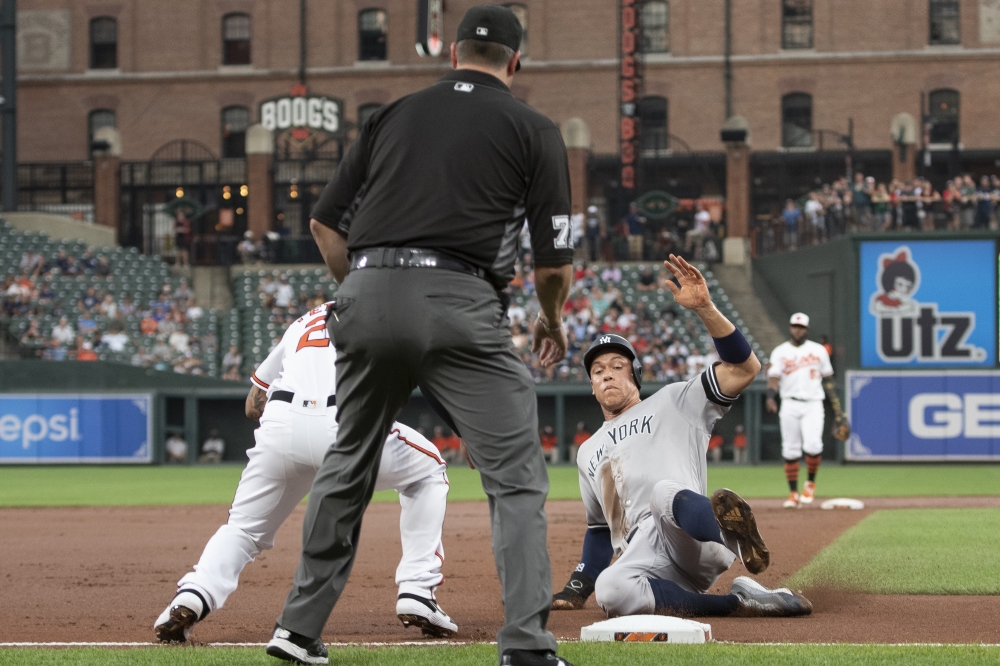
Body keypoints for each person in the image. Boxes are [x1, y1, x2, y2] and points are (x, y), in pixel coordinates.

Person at [287, 6, 575, 665]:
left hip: (363, 289)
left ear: (451, 54)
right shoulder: (534, 127)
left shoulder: (389, 114)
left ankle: (297, 629)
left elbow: (326, 227)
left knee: (348, 461)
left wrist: (359, 292)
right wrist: (551, 317)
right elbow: (553, 261)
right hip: (458, 298)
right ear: (515, 61)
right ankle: (527, 644)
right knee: (514, 476)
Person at [155, 301, 455, 646]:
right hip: (346, 421)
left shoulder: (307, 317)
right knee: (429, 469)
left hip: (281, 424)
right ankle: (418, 589)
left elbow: (253, 403)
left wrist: (300, 416)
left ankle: (191, 596)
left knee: (243, 528)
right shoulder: (393, 308)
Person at [550, 255, 811, 620]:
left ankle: (733, 536)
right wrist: (578, 587)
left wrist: (706, 309)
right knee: (611, 591)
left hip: (690, 537)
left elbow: (745, 368)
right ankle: (740, 602)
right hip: (644, 560)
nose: (606, 374)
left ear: (636, 374)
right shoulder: (587, 451)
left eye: (617, 366)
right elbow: (597, 529)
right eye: (597, 370)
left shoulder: (675, 400)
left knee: (662, 492)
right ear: (591, 385)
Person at [765, 313, 843, 509]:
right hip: (789, 403)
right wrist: (769, 397)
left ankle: (810, 483)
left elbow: (828, 380)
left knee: (814, 445)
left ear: (806, 329)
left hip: (813, 403)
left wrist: (837, 408)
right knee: (790, 448)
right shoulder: (780, 352)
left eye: (800, 327)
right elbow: (773, 378)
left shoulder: (818, 351)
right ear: (790, 327)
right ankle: (793, 493)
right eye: (794, 326)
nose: (797, 329)